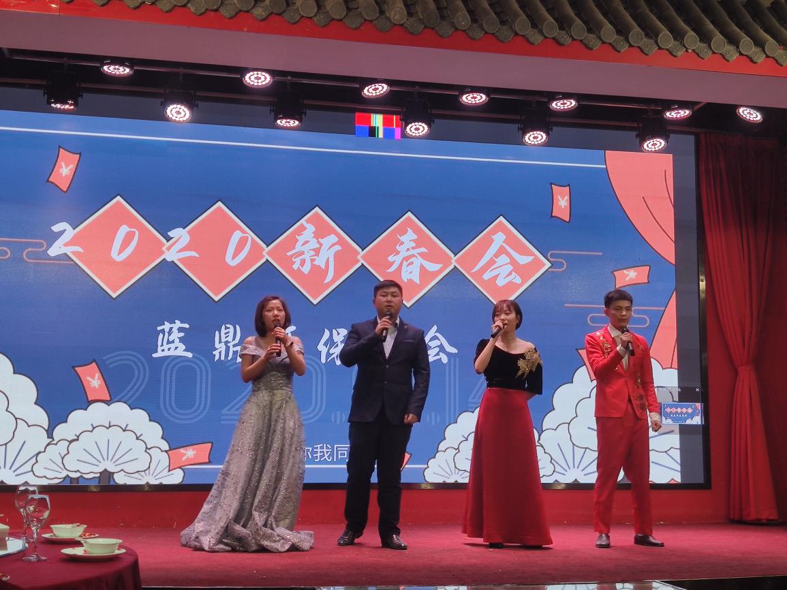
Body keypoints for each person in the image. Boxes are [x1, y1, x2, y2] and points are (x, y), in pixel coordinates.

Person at [181, 295, 313, 552]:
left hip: (285, 409)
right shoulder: (251, 342)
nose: (275, 314)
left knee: (281, 465)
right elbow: (246, 376)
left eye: (279, 309)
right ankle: (239, 518)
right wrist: (264, 358)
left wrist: (287, 344)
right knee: (247, 463)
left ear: (285, 315)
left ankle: (274, 522)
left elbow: (300, 370)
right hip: (258, 408)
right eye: (270, 310)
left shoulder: (294, 341)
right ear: (261, 315)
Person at [336, 280, 430, 550]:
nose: (389, 299)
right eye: (384, 295)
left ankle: (390, 532)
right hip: (364, 413)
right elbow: (346, 358)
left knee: (390, 476)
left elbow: (422, 374)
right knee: (358, 473)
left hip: (398, 416)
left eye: (394, 295)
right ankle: (353, 527)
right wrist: (374, 336)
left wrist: (415, 408)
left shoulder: (415, 334)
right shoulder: (361, 329)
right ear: (374, 301)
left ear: (402, 300)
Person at [463, 299, 553, 548]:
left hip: (517, 412)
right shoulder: (486, 343)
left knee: (521, 469)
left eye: (507, 313)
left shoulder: (529, 348)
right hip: (492, 409)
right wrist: (494, 338)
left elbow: (535, 386)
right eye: (497, 314)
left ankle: (528, 533)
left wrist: (514, 401)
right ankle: (494, 532)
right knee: (493, 469)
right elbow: (478, 368)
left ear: (518, 319)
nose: (502, 317)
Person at [585, 289, 664, 549]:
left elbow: (647, 381)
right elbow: (600, 371)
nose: (623, 314)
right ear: (606, 311)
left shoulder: (640, 342)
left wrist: (654, 411)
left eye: (628, 309)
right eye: (618, 309)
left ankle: (644, 531)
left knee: (641, 476)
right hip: (610, 414)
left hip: (637, 413)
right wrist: (620, 349)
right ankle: (602, 531)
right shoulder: (594, 339)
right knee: (607, 473)